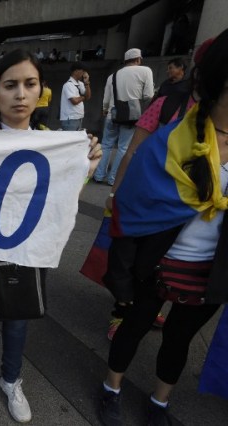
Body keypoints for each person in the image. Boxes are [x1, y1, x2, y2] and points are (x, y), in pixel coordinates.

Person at [0, 49, 101, 424]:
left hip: (27, 254)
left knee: (18, 321)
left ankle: (12, 379)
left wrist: (86, 167)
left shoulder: (55, 144)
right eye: (10, 85)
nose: (20, 94)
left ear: (41, 90)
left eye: (30, 84)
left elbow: (61, 203)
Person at [97, 30, 228, 426]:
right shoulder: (169, 141)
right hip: (156, 263)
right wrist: (120, 275)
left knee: (179, 339)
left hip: (210, 271)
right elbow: (132, 210)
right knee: (133, 328)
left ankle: (159, 402)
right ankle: (110, 390)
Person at [93, 48, 154, 185]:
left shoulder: (113, 76)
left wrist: (105, 110)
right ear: (138, 59)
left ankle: (98, 175)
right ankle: (113, 179)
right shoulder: (145, 71)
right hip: (130, 116)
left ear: (125, 61)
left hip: (111, 115)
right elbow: (148, 95)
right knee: (123, 147)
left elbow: (106, 99)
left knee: (106, 145)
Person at [59, 62, 90, 130]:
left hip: (78, 117)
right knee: (69, 139)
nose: (84, 74)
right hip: (70, 119)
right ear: (76, 71)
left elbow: (88, 96)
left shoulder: (81, 84)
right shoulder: (68, 85)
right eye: (83, 71)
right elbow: (74, 101)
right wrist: (83, 97)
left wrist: (86, 83)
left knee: (75, 139)